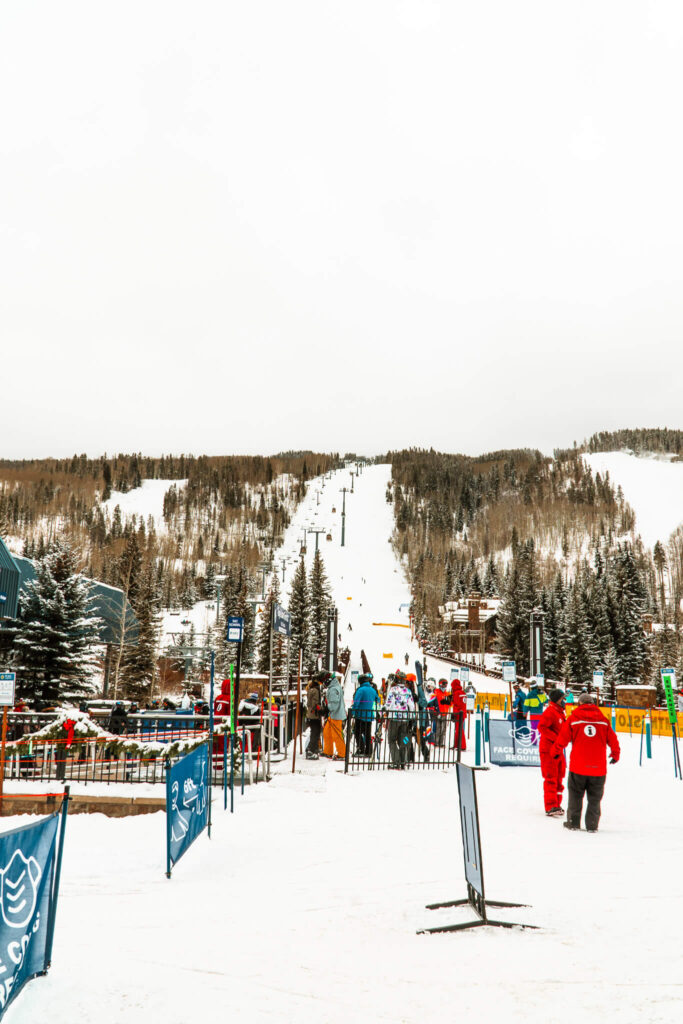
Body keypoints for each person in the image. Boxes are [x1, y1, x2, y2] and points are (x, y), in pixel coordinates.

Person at [553, 692, 620, 832]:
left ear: (580, 704)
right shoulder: (603, 720)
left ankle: (573, 823)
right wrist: (615, 754)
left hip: (578, 767)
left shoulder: (573, 718)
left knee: (575, 795)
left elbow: (562, 739)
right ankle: (592, 825)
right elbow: (613, 740)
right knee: (595, 799)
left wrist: (555, 752)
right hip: (598, 768)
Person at [538, 688, 567, 816]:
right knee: (551, 777)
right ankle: (550, 805)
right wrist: (557, 739)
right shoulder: (550, 712)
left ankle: (557, 804)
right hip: (548, 750)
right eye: (562, 699)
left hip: (558, 749)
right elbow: (542, 727)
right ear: (557, 700)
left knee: (559, 777)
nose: (564, 701)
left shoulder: (560, 713)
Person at [384, 671, 415, 769]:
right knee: (403, 740)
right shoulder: (408, 691)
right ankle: (402, 761)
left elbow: (388, 703)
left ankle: (396, 761)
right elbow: (412, 706)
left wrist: (383, 711)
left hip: (394, 718)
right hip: (404, 719)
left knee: (392, 740)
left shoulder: (393, 690)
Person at [352, 673, 377, 755]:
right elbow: (378, 700)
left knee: (357, 732)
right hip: (369, 715)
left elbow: (356, 703)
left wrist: (353, 712)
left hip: (360, 715)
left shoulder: (360, 690)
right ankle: (369, 751)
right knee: (367, 734)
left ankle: (361, 749)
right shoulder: (372, 690)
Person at [322, 672, 346, 759]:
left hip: (336, 715)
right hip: (333, 715)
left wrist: (326, 708)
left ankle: (342, 754)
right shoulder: (335, 686)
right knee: (327, 732)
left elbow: (334, 704)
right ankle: (328, 751)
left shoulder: (333, 689)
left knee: (337, 735)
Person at [305, 678, 323, 759]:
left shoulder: (311, 690)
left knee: (314, 732)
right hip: (315, 715)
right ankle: (311, 750)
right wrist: (318, 709)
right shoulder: (316, 691)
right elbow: (315, 703)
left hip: (310, 715)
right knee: (316, 732)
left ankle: (313, 748)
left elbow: (309, 703)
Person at [450, 679, 467, 752]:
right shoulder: (462, 692)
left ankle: (461, 746)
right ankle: (458, 745)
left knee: (459, 730)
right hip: (462, 713)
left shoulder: (456, 693)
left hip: (458, 714)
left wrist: (454, 714)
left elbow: (456, 705)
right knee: (459, 729)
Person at [433, 679, 450, 746]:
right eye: (444, 684)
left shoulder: (447, 693)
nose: (445, 685)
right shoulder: (436, 692)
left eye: (446, 684)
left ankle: (441, 743)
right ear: (440, 684)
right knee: (438, 728)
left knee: (443, 729)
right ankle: (436, 742)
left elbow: (450, 703)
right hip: (438, 713)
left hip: (444, 713)